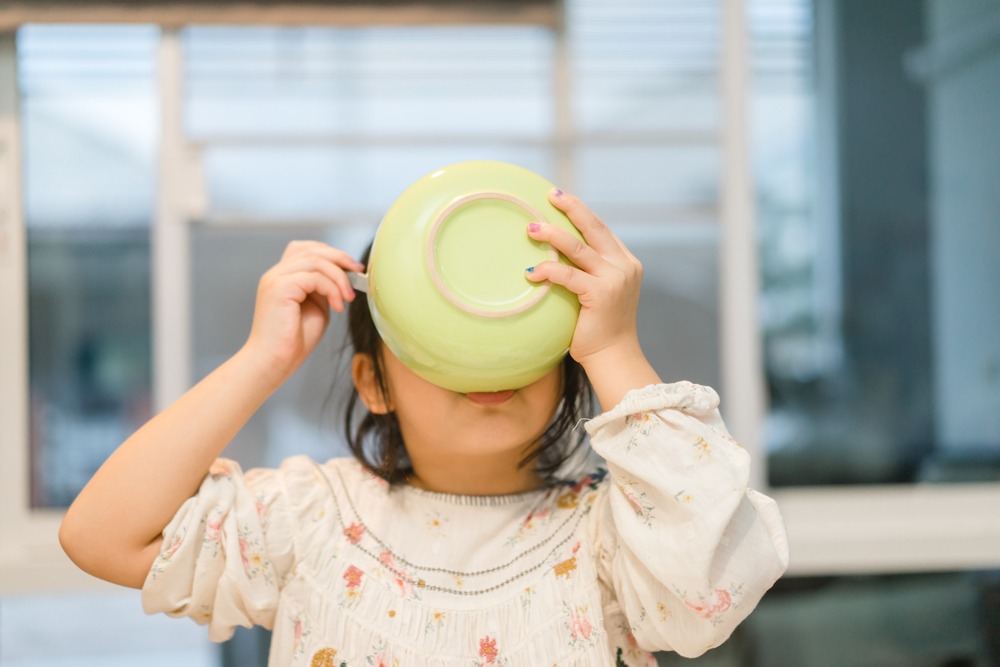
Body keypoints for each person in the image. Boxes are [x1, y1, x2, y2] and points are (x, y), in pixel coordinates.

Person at [59, 188, 789, 666]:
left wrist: (614, 347)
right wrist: (263, 357)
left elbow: (713, 586)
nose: (482, 363)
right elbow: (102, 535)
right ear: (373, 382)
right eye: (440, 341)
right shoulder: (310, 522)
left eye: (514, 337)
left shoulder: (611, 537)